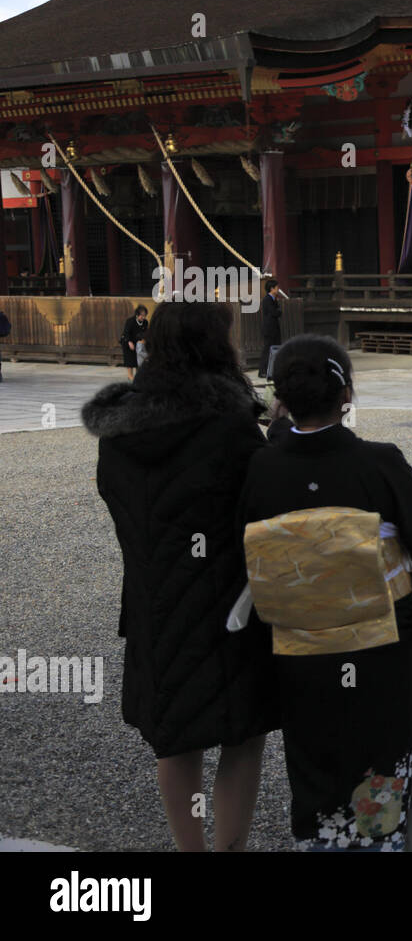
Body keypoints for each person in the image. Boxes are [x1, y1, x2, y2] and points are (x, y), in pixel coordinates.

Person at [82, 300, 276, 851]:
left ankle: (189, 848)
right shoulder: (231, 425)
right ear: (214, 347)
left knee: (175, 739)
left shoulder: (120, 429)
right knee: (242, 732)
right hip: (228, 603)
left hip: (152, 598)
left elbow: (117, 501)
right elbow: (261, 507)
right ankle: (228, 849)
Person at [237, 334, 412, 851]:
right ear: (345, 393)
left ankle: (322, 836)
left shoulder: (262, 467)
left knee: (316, 753)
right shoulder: (379, 462)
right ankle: (379, 837)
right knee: (379, 749)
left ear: (280, 398)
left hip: (300, 647)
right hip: (377, 644)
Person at [258, 279, 282, 379]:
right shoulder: (267, 299)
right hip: (269, 329)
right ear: (272, 288)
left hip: (274, 329)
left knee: (275, 349)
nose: (278, 289)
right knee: (267, 350)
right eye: (277, 287)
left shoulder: (273, 299)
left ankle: (272, 370)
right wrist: (279, 310)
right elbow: (275, 313)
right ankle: (262, 371)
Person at [119, 304, 149, 382]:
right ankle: (130, 376)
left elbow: (145, 333)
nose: (143, 317)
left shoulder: (145, 322)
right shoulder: (130, 321)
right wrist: (129, 342)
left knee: (138, 360)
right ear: (137, 315)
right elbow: (126, 333)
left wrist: (144, 340)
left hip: (138, 343)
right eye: (141, 315)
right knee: (130, 359)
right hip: (127, 341)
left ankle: (138, 376)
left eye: (144, 315)